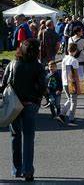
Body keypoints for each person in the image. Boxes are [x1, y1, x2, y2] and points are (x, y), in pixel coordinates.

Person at [0, 39, 46, 182]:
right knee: (28, 138)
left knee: (15, 136)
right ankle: (28, 171)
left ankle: (17, 169)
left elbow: (4, 84)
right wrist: (37, 100)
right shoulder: (37, 66)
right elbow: (42, 86)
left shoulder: (13, 64)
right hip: (30, 104)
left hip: (14, 104)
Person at [58, 43, 81, 126]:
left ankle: (62, 114)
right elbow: (76, 75)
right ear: (75, 51)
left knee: (69, 99)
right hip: (72, 82)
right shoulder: (74, 61)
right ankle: (71, 118)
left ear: (68, 50)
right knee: (74, 101)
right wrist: (78, 86)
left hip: (65, 81)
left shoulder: (65, 59)